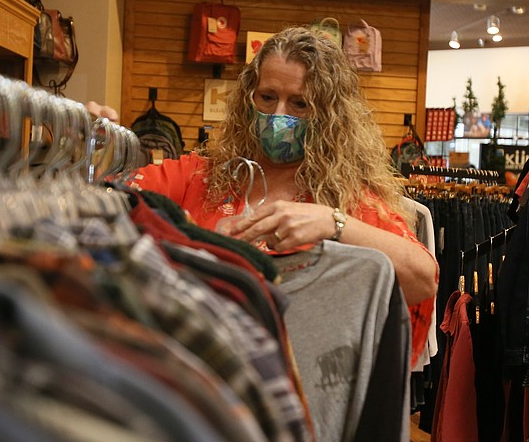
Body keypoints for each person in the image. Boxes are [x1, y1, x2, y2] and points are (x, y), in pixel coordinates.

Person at [116, 25, 438, 310]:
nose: (278, 115)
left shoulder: (348, 199)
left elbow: (423, 280)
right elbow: (103, 196)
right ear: (249, 99)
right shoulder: (200, 175)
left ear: (328, 115)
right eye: (267, 97)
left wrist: (334, 224)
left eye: (299, 103)